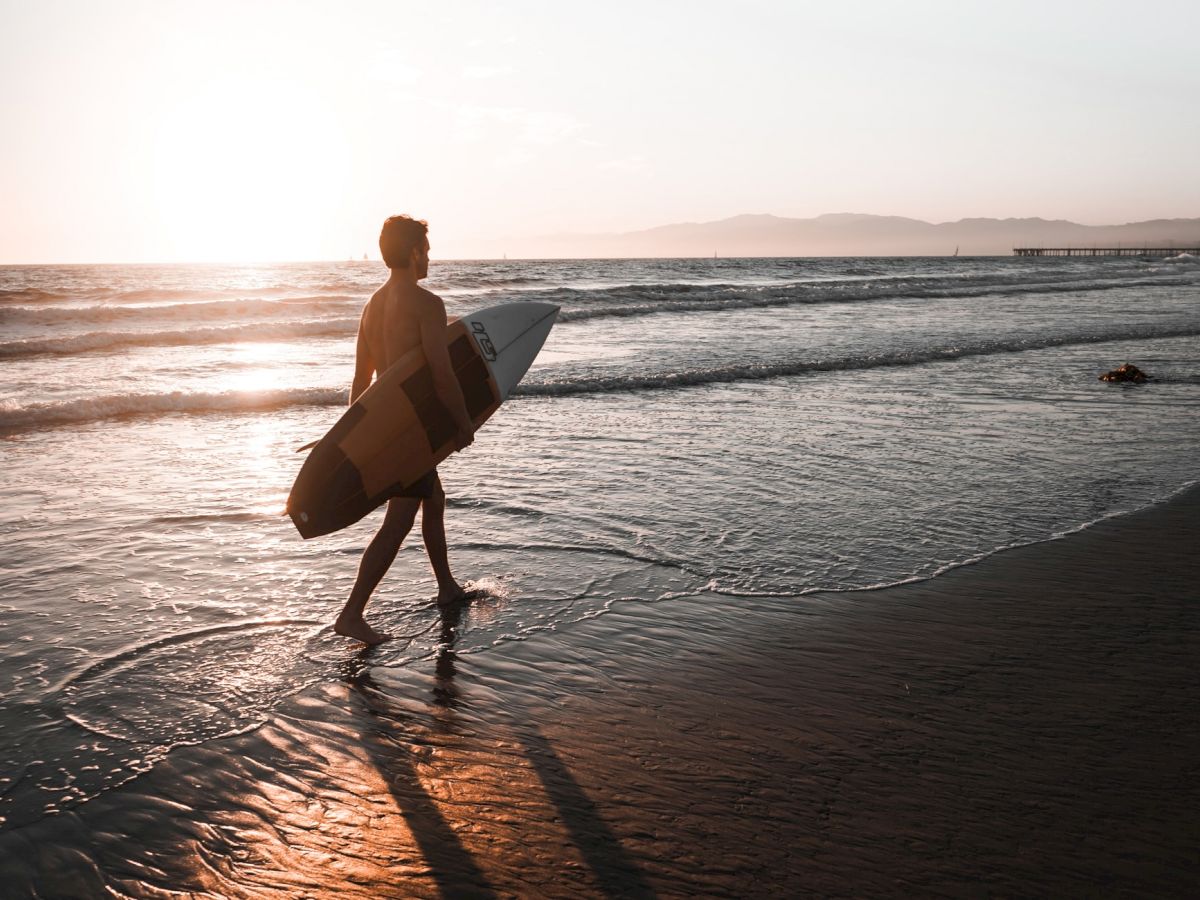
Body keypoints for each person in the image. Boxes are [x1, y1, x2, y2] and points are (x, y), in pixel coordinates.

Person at [334, 215, 475, 645]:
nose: (430, 256)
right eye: (427, 249)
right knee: (399, 520)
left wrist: (356, 438)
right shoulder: (426, 305)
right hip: (413, 429)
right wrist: (462, 421)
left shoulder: (371, 307)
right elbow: (442, 373)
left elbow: (360, 383)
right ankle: (352, 614)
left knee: (433, 499)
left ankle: (446, 587)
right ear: (414, 252)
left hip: (386, 425)